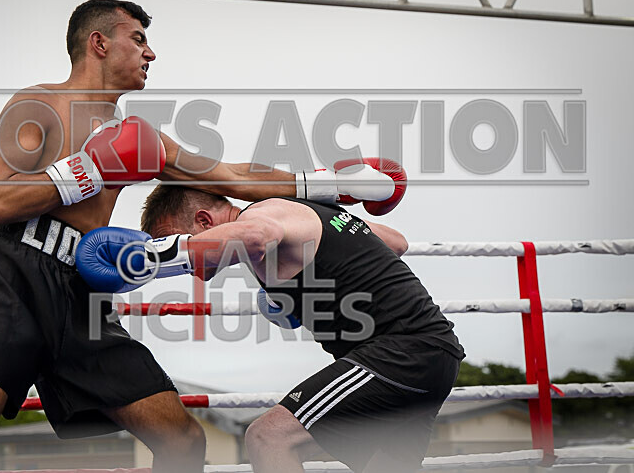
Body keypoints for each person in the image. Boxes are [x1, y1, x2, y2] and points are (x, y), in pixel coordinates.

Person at [0, 0, 403, 473]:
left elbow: (233, 176)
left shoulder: (143, 138)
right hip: (13, 274)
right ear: (98, 43)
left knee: (182, 441)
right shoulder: (37, 104)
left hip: (80, 287)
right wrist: (89, 169)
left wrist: (328, 182)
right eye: (139, 39)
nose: (151, 54)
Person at [77, 184, 465, 473]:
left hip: (401, 353)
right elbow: (395, 243)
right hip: (430, 357)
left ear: (204, 221)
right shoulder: (294, 214)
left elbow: (253, 236)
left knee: (268, 437)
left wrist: (156, 256)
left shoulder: (259, 217)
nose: (190, 256)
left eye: (178, 237)